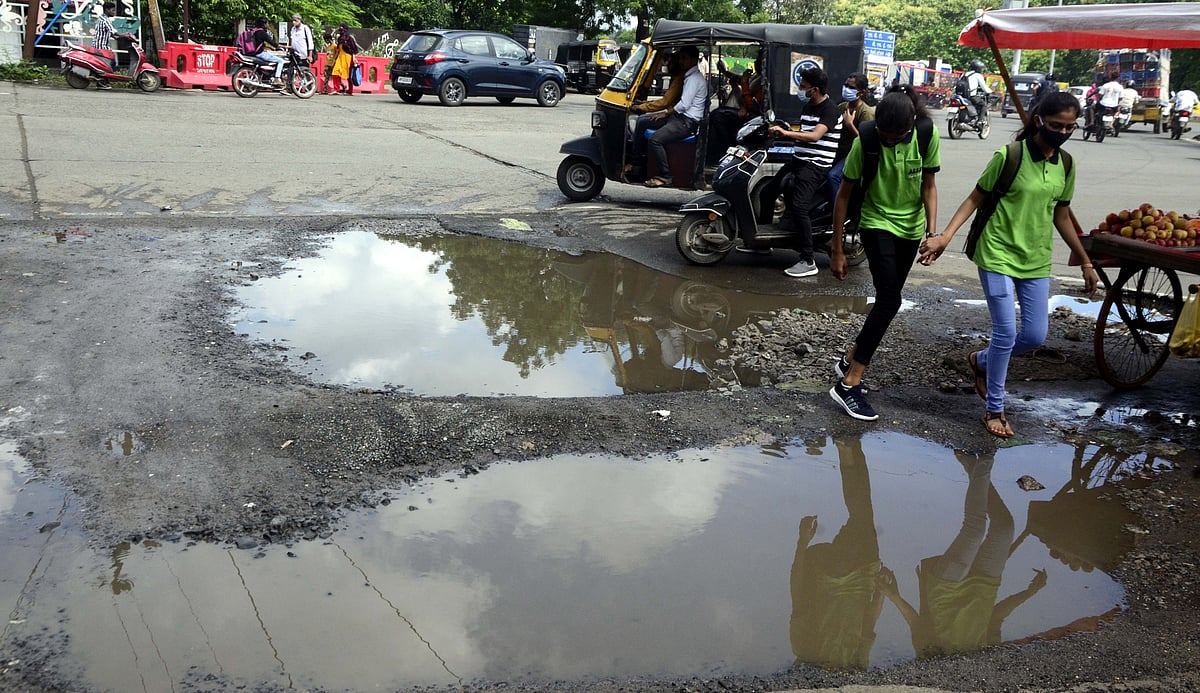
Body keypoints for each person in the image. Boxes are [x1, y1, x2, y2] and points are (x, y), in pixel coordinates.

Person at [918, 92, 1098, 438]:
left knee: (1033, 335)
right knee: (1006, 332)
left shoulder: (1067, 164)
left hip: (1035, 257)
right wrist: (943, 237)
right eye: (1057, 125)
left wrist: (1086, 261)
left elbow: (1061, 215)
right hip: (997, 251)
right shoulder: (1009, 156)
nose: (1063, 132)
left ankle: (981, 361)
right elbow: (975, 197)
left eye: (1070, 127)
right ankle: (994, 409)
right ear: (1038, 121)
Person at [828, 86, 939, 421]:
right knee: (890, 301)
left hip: (911, 228)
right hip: (876, 224)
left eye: (897, 136)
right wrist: (837, 250)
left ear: (911, 125)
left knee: (889, 298)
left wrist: (933, 234)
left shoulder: (925, 135)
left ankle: (851, 355)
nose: (890, 141)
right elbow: (843, 197)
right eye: (885, 136)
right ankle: (849, 382)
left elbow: (929, 186)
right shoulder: (867, 141)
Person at [878, 452, 1048, 659]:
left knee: (975, 529)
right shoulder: (986, 653)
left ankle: (986, 457)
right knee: (1004, 526)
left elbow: (916, 623)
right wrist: (1029, 592)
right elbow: (997, 616)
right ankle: (975, 469)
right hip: (985, 587)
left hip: (946, 591)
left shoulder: (932, 659)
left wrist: (893, 595)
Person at [768, 67, 842, 278]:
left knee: (800, 207)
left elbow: (815, 136)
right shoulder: (808, 105)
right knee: (768, 190)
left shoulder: (830, 110)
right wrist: (783, 128)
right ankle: (762, 243)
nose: (800, 89)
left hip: (816, 165)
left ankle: (808, 259)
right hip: (799, 160)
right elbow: (803, 132)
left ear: (815, 89)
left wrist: (787, 133)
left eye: (803, 86)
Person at [644, 46, 706, 188]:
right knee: (644, 122)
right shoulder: (689, 77)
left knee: (655, 140)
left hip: (686, 122)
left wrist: (665, 112)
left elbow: (684, 105)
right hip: (679, 118)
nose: (681, 61)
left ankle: (665, 175)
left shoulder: (694, 79)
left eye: (684, 58)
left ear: (694, 59)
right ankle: (637, 164)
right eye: (680, 58)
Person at [626, 52, 684, 179]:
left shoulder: (679, 79)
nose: (667, 65)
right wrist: (645, 103)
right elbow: (665, 100)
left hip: (676, 118)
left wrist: (641, 107)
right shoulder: (676, 78)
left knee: (642, 122)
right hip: (673, 114)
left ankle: (636, 163)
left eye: (669, 62)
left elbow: (665, 102)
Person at [827, 72, 876, 206]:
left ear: (861, 92)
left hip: (853, 154)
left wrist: (849, 124)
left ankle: (837, 213)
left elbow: (866, 141)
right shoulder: (842, 107)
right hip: (837, 151)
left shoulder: (866, 113)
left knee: (833, 177)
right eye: (845, 85)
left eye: (851, 87)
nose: (846, 89)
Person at [706, 54, 764, 165]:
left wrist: (744, 83)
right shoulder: (757, 76)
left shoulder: (762, 80)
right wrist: (725, 72)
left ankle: (725, 150)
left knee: (718, 116)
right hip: (746, 109)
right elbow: (738, 80)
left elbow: (752, 103)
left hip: (753, 115)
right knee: (716, 114)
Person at [249, 17, 286, 85]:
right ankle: (277, 79)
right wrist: (278, 47)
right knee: (280, 60)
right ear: (264, 24)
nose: (268, 25)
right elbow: (271, 41)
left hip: (253, 53)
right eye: (267, 23)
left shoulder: (254, 31)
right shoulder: (262, 32)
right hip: (259, 53)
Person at [326, 23, 359, 95]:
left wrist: (353, 58)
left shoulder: (349, 38)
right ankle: (336, 89)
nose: (341, 30)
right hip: (340, 57)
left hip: (348, 57)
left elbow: (353, 49)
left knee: (348, 74)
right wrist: (334, 59)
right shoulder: (340, 38)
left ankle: (350, 91)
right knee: (335, 72)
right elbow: (338, 50)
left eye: (342, 28)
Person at [91, 1, 117, 88]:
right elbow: (114, 32)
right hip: (101, 47)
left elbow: (112, 34)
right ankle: (101, 82)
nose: (114, 12)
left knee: (108, 63)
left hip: (99, 46)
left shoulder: (101, 19)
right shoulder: (105, 20)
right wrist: (125, 35)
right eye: (112, 10)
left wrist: (118, 37)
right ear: (107, 10)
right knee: (110, 63)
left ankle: (103, 81)